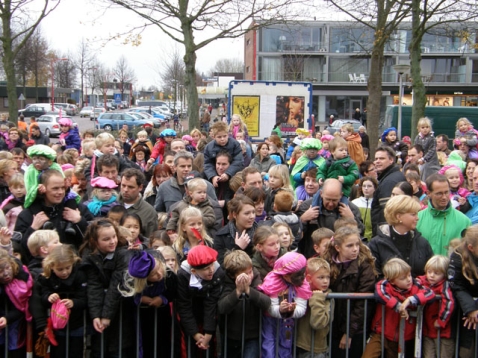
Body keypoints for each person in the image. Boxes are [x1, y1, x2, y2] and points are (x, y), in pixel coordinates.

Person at [362, 258, 434, 358]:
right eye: (403, 278)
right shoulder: (384, 285)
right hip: (381, 332)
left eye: (409, 275)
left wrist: (410, 300)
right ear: (391, 281)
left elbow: (430, 293)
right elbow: (380, 293)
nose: (409, 279)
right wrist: (399, 306)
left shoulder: (416, 285)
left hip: (401, 337)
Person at [322, 226, 376, 358]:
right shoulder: (327, 263)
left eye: (357, 244)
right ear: (338, 247)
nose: (355, 249)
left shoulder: (364, 266)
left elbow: (362, 304)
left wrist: (349, 332)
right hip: (333, 325)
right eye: (350, 245)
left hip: (355, 328)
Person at [15, 170, 93, 257]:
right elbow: (20, 249)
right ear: (43, 189)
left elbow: (94, 239)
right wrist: (33, 229)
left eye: (63, 188)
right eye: (55, 188)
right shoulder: (29, 215)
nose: (60, 192)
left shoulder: (76, 208)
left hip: (75, 264)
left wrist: (79, 221)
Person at [120, 250, 177, 357]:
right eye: (153, 274)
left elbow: (174, 290)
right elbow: (125, 297)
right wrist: (140, 299)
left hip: (162, 318)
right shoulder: (131, 280)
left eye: (159, 269)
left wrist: (162, 298)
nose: (159, 274)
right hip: (140, 320)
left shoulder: (168, 275)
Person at [36, 245, 87, 358]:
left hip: (76, 324)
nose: (64, 272)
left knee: (75, 352)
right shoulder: (47, 277)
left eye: (68, 267)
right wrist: (49, 297)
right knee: (58, 352)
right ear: (52, 266)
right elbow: (43, 295)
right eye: (60, 269)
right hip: (56, 326)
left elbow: (84, 298)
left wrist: (74, 302)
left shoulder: (79, 275)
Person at [218, 250, 271, 358]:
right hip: (230, 335)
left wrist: (248, 290)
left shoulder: (255, 277)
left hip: (252, 335)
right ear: (232, 275)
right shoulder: (225, 281)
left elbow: (266, 302)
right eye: (245, 274)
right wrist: (237, 292)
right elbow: (222, 308)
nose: (249, 276)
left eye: (250, 272)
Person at [258, 252, 312, 358]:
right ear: (286, 276)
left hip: (288, 323)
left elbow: (302, 308)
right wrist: (280, 310)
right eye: (297, 276)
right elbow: (270, 308)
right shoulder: (273, 282)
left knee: (285, 350)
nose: (301, 278)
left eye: (303, 274)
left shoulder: (302, 283)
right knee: (268, 350)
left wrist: (291, 310)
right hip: (271, 323)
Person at [369, 195, 433, 279]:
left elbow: (430, 271)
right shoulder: (376, 244)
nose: (417, 218)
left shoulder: (422, 242)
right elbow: (374, 275)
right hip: (387, 291)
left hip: (418, 291)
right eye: (413, 214)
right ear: (398, 216)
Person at [297, 178, 364, 258]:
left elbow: (361, 234)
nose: (331, 204)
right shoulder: (307, 207)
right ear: (321, 193)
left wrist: (352, 219)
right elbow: (296, 235)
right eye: (328, 199)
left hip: (341, 258)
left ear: (341, 195)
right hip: (313, 256)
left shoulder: (351, 209)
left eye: (334, 200)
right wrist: (302, 219)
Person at [176, 245, 224, 356]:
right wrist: (194, 333)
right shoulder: (183, 275)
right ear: (193, 271)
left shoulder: (218, 273)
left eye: (211, 265)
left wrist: (208, 332)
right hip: (190, 317)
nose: (211, 270)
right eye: (206, 268)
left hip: (210, 316)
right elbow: (184, 305)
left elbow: (211, 304)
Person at [417, 174, 471, 255]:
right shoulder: (417, 219)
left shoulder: (464, 221)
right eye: (439, 193)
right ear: (429, 193)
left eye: (446, 192)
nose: (444, 197)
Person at [416, 255, 455, 358]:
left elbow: (449, 302)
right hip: (427, 330)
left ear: (444, 274)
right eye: (429, 272)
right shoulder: (423, 282)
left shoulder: (445, 285)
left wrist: (441, 320)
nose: (431, 276)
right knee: (428, 355)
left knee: (444, 354)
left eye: (436, 273)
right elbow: (416, 282)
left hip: (443, 331)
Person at [448, 225, 478, 358]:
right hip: (466, 315)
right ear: (471, 248)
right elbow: (456, 285)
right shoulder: (457, 257)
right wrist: (470, 309)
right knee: (466, 351)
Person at [296, 257, 332, 358]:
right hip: (300, 344)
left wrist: (317, 299)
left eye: (328, 277)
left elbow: (318, 323)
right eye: (321, 277)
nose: (325, 281)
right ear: (308, 278)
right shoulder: (302, 292)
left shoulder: (328, 296)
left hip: (318, 348)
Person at [0, 248, 33, 357]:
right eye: (0, 271)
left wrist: (7, 318)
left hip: (15, 325)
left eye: (7, 268)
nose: (5, 274)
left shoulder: (21, 279)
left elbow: (22, 306)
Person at [371, 146, 406, 236]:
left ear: (391, 160)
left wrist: (383, 235)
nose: (377, 161)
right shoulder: (394, 175)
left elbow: (387, 211)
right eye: (376, 159)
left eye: (382, 158)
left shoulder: (389, 182)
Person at [214, 195, 256, 266]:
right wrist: (237, 248)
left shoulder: (260, 232)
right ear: (235, 215)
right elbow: (222, 266)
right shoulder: (221, 236)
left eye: (253, 212)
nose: (252, 216)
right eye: (247, 213)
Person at [119, 168, 158, 237]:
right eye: (123, 185)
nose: (125, 190)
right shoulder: (111, 203)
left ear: (140, 187)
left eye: (130, 187)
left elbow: (150, 240)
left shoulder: (149, 212)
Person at [351, 176, 377, 241]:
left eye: (369, 186)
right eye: (364, 186)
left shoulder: (377, 204)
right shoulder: (355, 203)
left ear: (375, 188)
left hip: (372, 237)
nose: (366, 188)